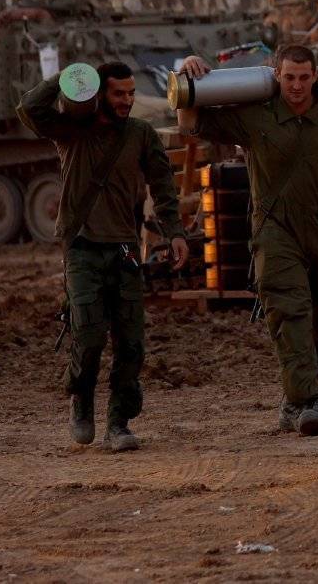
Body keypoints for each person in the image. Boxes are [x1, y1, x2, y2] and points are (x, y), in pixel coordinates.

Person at [175, 45, 318, 436]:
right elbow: (192, 123)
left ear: (315, 77)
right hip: (275, 229)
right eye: (289, 77)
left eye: (303, 77)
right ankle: (308, 403)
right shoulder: (255, 115)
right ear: (277, 76)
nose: (296, 85)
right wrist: (188, 78)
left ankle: (299, 385)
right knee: (289, 310)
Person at [16, 61, 189, 452]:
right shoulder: (71, 132)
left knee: (130, 342)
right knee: (89, 334)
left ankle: (118, 423)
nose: (127, 100)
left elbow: (163, 186)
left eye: (131, 93)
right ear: (99, 94)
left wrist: (175, 233)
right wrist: (65, 78)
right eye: (118, 94)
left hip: (126, 249)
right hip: (81, 248)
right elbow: (29, 109)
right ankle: (81, 397)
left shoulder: (142, 135)